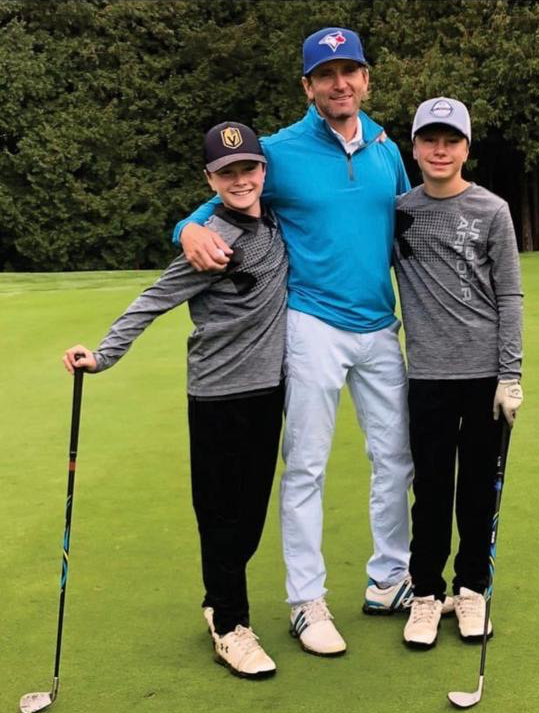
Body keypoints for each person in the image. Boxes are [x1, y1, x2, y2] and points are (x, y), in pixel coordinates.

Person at [172, 28, 430, 657]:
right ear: (308, 86)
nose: (340, 83)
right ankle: (306, 602)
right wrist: (184, 228)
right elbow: (219, 203)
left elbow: (402, 226)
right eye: (326, 74)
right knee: (307, 465)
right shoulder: (280, 152)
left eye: (350, 71)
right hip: (311, 323)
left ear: (366, 78)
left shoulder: (386, 150)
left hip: (378, 325)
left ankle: (388, 580)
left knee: (396, 459)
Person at [63, 122, 287, 679]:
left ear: (263, 171)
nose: (240, 180)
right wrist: (103, 355)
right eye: (227, 172)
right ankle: (232, 626)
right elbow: (151, 301)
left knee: (252, 517)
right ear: (209, 177)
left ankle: (219, 602)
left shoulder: (277, 216)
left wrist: (182, 222)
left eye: (249, 168)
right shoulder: (209, 240)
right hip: (216, 396)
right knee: (220, 517)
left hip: (269, 392)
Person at [392, 98, 524, 649]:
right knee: (431, 490)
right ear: (416, 147)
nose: (439, 150)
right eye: (429, 140)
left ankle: (471, 589)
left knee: (476, 490)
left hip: (483, 376)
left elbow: (509, 293)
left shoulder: (492, 210)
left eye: (451, 140)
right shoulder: (398, 211)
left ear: (467, 148)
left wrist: (510, 374)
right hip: (426, 377)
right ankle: (426, 594)